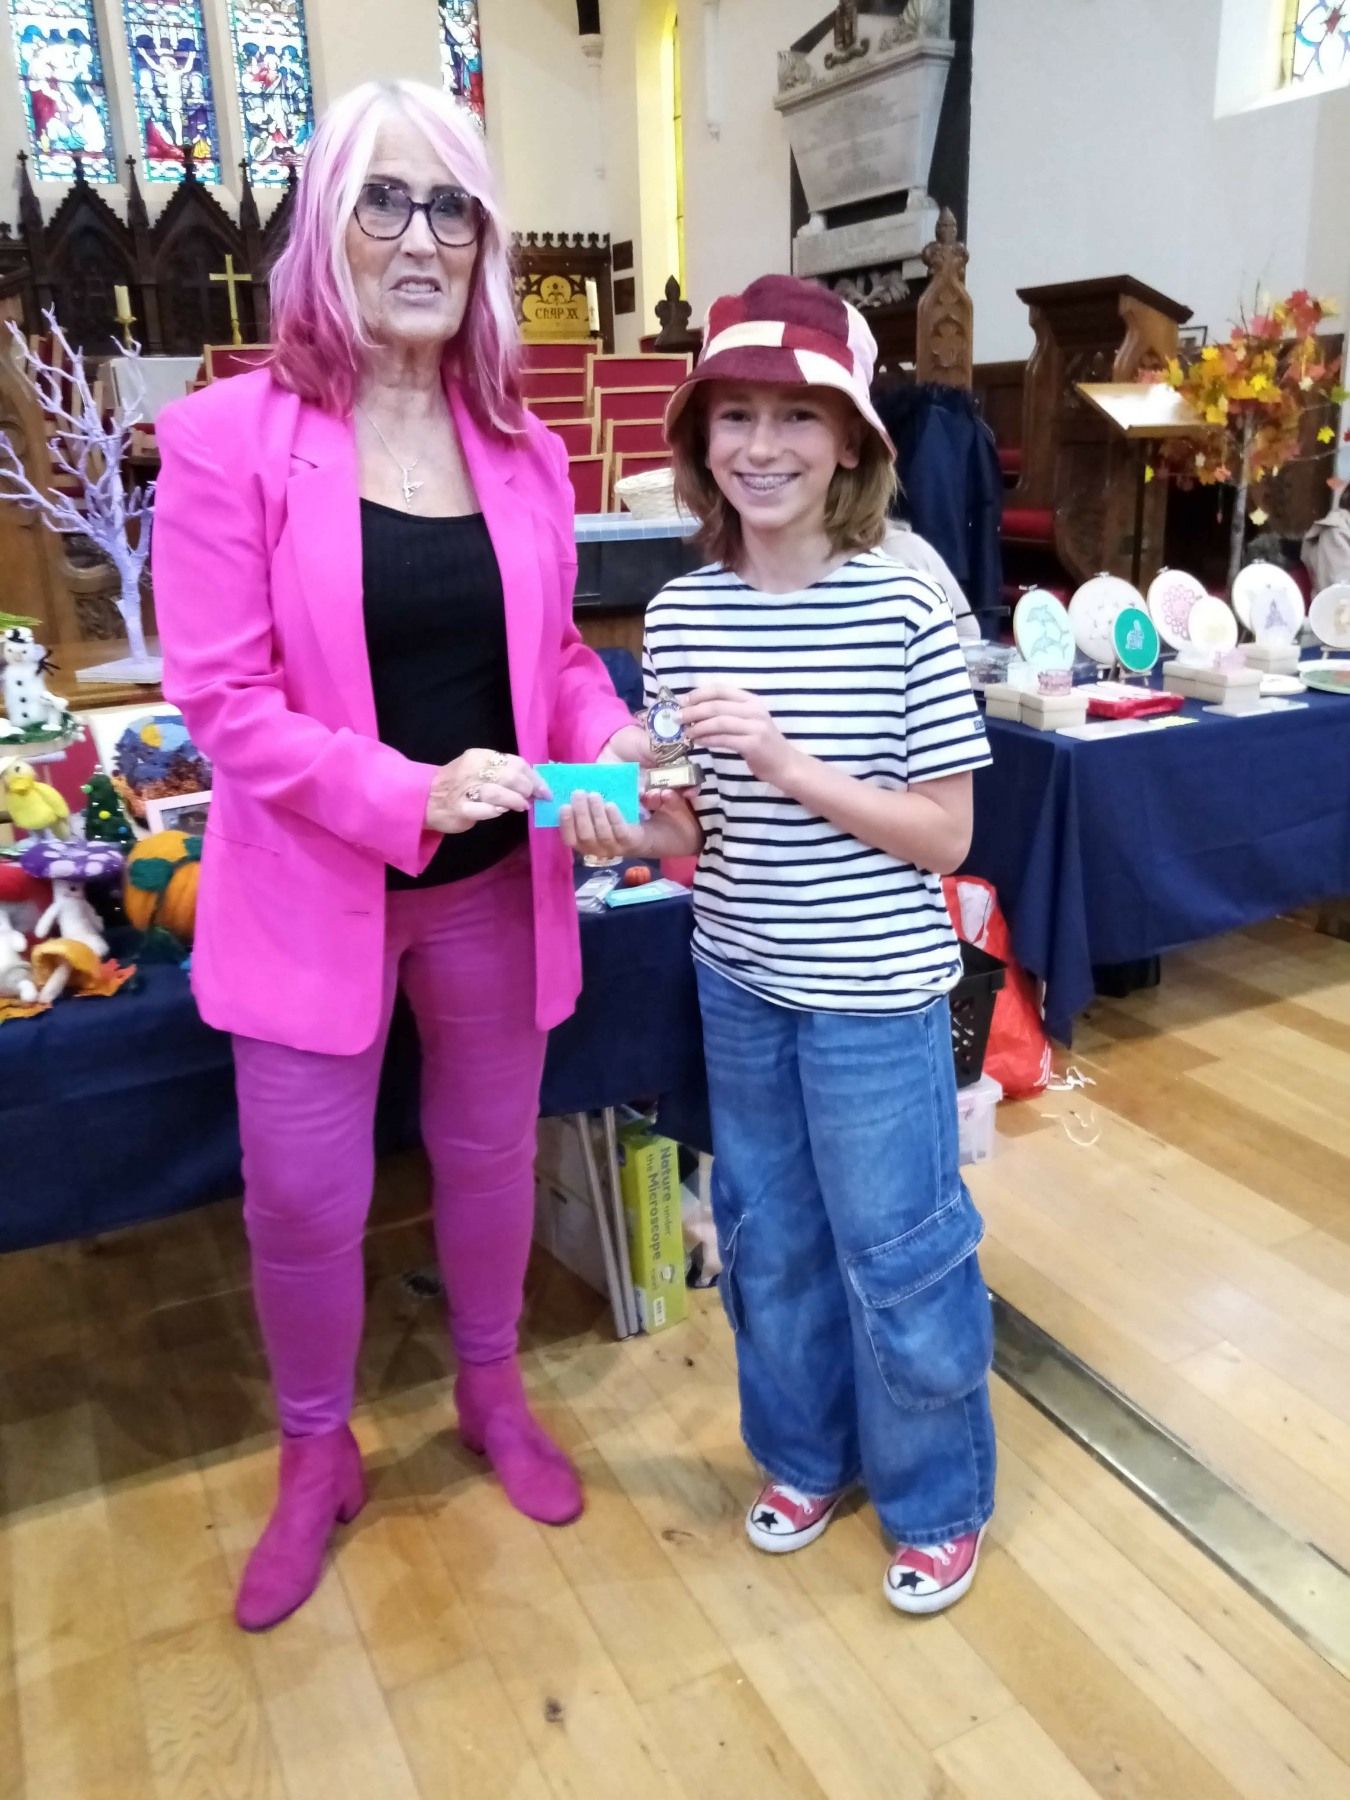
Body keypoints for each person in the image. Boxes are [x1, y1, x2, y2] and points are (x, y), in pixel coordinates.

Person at [151, 79, 646, 1633]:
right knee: (302, 1198)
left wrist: (609, 737)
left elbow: (555, 651)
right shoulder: (229, 438)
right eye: (385, 201)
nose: (420, 238)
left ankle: (491, 1397)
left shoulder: (519, 442)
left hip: (500, 883)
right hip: (314, 888)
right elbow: (222, 703)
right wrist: (408, 793)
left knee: (491, 1158)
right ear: (327, 226)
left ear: (485, 242)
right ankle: (316, 1458)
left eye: (451, 208)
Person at [563, 275, 996, 1615]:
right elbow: (696, 822)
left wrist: (789, 760)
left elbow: (941, 838)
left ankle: (934, 1497)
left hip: (871, 993)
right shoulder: (687, 607)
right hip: (738, 975)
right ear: (695, 440)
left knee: (898, 1242)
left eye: (795, 416)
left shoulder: (909, 600)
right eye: (733, 415)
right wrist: (618, 830)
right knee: (765, 1232)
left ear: (854, 437)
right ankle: (804, 1456)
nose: (760, 445)